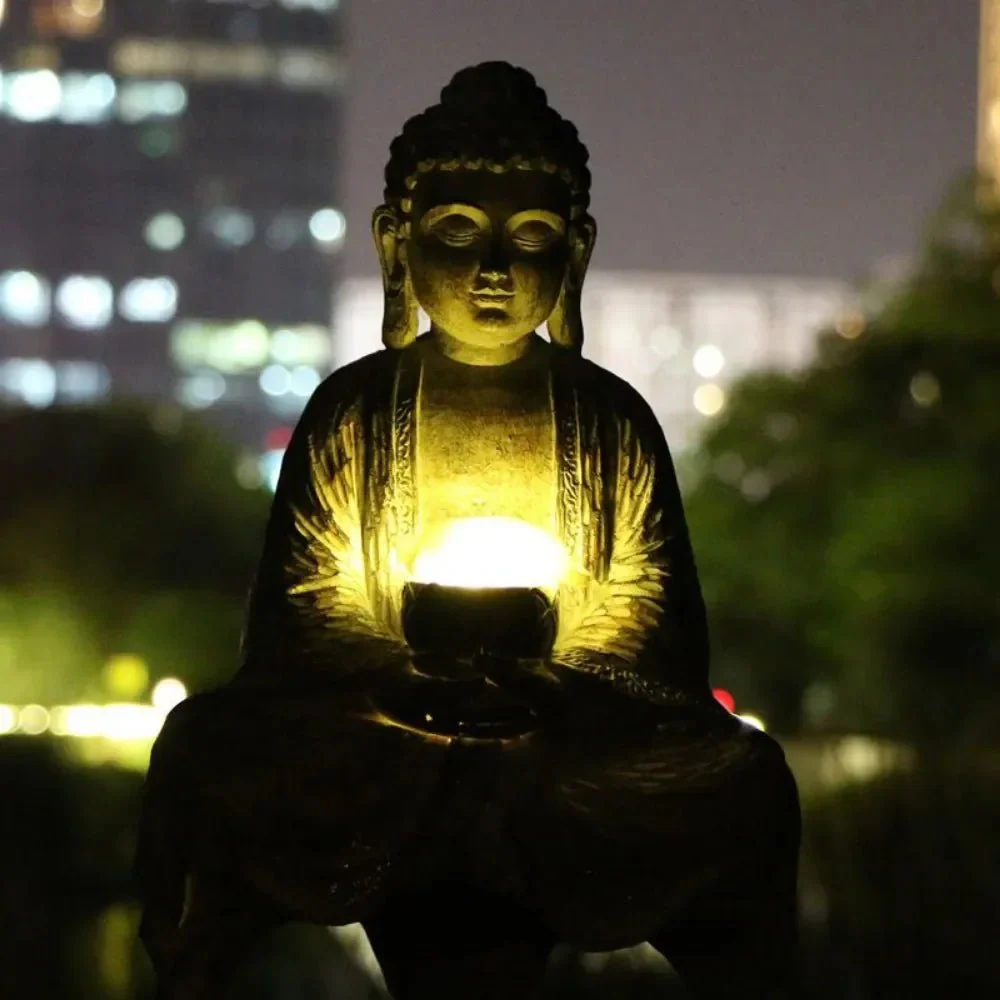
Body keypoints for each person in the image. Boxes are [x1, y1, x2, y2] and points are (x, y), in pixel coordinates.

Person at [137, 63, 801, 1000]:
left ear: (576, 254)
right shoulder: (356, 410)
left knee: (746, 780)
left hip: (565, 723)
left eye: (529, 238)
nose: (494, 269)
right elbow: (307, 611)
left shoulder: (610, 420)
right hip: (383, 717)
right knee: (202, 748)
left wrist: (551, 681)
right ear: (396, 246)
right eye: (457, 234)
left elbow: (650, 622)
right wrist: (400, 676)